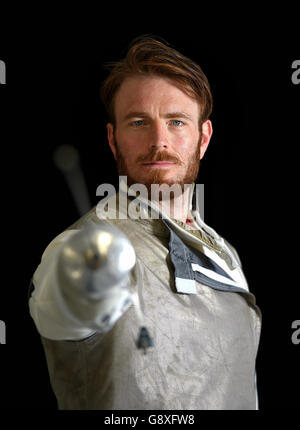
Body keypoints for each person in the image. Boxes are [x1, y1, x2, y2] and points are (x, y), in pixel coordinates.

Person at [28, 35, 261, 410]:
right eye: (138, 122)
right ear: (113, 139)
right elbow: (61, 309)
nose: (158, 140)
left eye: (176, 122)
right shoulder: (82, 249)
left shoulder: (224, 252)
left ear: (203, 138)